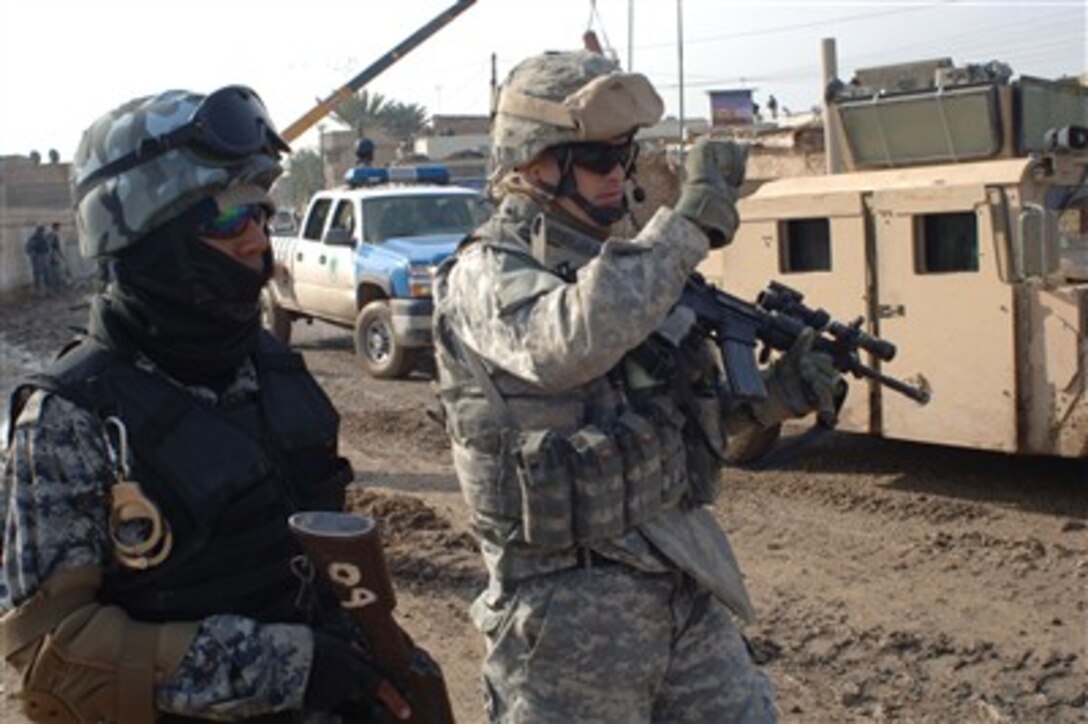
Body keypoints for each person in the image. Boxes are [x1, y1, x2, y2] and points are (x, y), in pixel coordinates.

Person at [432, 50, 842, 722]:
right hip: (570, 613)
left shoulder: (623, 266)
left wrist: (774, 395)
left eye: (626, 154)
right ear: (534, 161)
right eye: (597, 157)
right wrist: (683, 230)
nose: (618, 173)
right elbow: (561, 344)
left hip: (681, 581)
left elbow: (680, 424)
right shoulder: (485, 270)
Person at [0, 86, 411, 722]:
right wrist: (292, 666)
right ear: (149, 234)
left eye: (261, 214)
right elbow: (57, 658)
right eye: (226, 217)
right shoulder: (71, 420)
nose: (256, 241)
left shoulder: (267, 367)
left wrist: (368, 655)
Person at [24, 223, 50, 295]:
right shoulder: (33, 238)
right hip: (38, 258)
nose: (42, 233)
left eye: (42, 231)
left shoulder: (43, 238)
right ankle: (39, 290)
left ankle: (46, 289)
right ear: (39, 231)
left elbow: (47, 248)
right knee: (38, 274)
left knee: (45, 273)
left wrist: (47, 253)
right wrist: (34, 255)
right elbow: (28, 249)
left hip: (43, 256)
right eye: (41, 231)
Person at [43, 222, 69, 290]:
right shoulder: (53, 235)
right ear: (55, 227)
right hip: (53, 256)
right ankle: (56, 286)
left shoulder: (50, 235)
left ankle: (55, 286)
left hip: (51, 256)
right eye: (58, 227)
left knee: (54, 271)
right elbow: (56, 247)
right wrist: (61, 256)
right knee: (56, 271)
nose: (59, 229)